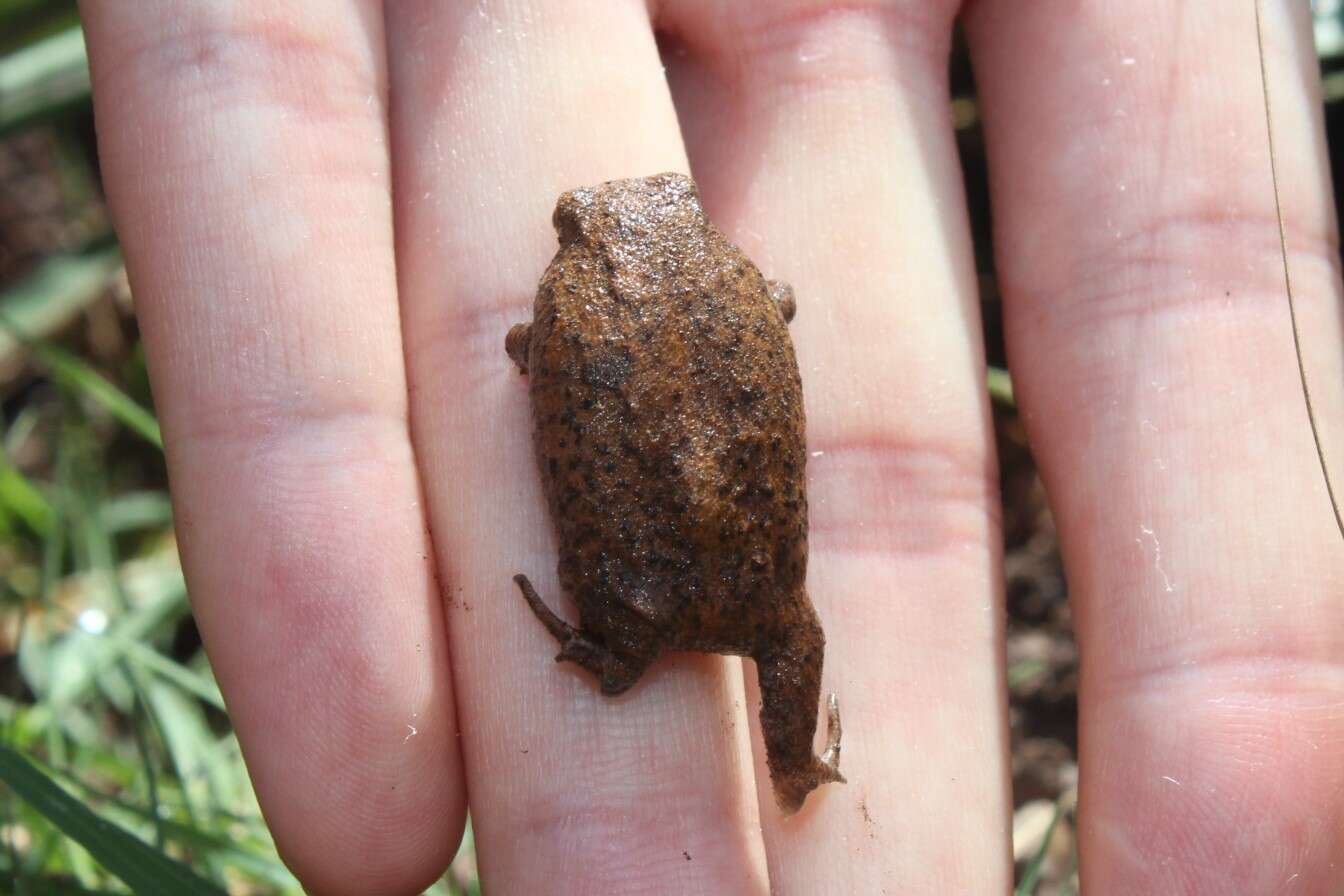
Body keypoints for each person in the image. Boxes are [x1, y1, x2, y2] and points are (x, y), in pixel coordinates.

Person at [78, 1, 1344, 893]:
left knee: (681, 598)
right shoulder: (729, 282)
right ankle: (797, 760)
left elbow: (538, 360)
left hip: (642, 594)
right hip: (760, 595)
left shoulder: (575, 297)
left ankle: (641, 672)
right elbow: (757, 312)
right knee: (782, 625)